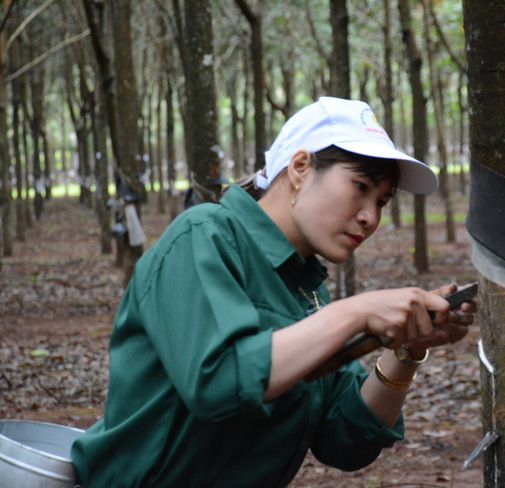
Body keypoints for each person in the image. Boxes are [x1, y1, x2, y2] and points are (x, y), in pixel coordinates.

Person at [71, 96, 476, 487]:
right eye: (360, 186)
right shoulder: (204, 237)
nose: (370, 217)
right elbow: (219, 380)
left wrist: (405, 350)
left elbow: (346, 440)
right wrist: (354, 314)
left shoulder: (307, 293)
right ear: (300, 167)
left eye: (382, 200)